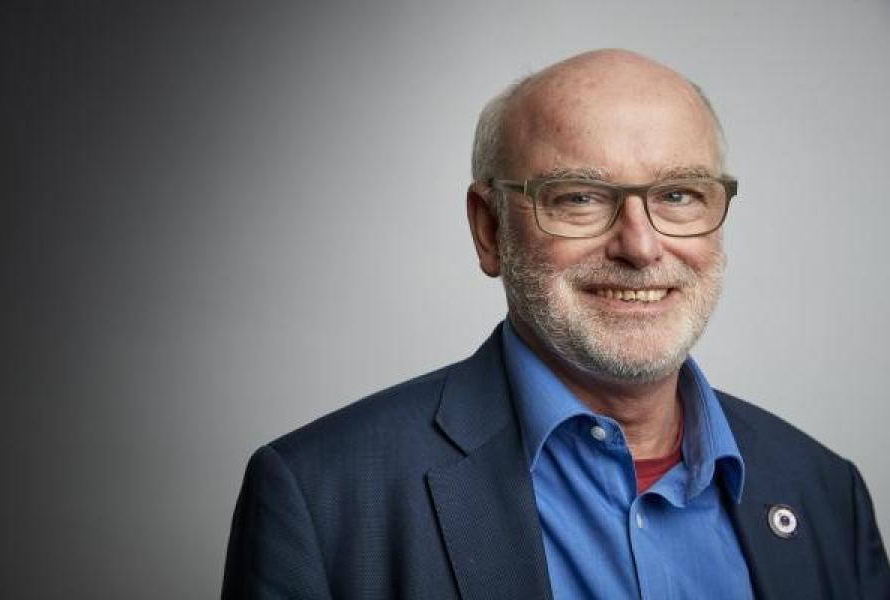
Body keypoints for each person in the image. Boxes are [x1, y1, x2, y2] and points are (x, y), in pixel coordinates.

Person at [222, 49, 890, 599]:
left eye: (679, 195)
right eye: (578, 198)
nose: (641, 245)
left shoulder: (826, 492)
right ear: (490, 231)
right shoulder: (320, 498)